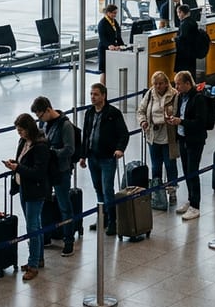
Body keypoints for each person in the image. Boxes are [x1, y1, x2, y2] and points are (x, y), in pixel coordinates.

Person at [3, 115, 50, 280]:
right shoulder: (23, 142)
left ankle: (33, 264)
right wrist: (15, 164)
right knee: (35, 224)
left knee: (32, 228)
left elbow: (38, 172)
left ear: (29, 128)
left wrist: (18, 168)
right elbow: (22, 162)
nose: (19, 133)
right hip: (24, 188)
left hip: (35, 191)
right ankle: (38, 258)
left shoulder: (41, 146)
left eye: (21, 130)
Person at [31, 96, 76, 257]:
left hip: (61, 171)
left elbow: (70, 150)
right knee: (45, 204)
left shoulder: (65, 125)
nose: (39, 119)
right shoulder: (43, 124)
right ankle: (47, 236)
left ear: (49, 110)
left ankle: (69, 239)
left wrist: (51, 153)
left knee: (64, 205)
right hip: (47, 171)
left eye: (40, 115)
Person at [80, 83, 128, 235]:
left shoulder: (113, 113)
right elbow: (86, 135)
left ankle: (113, 220)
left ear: (103, 96)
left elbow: (123, 133)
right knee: (98, 188)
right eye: (91, 94)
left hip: (107, 158)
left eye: (95, 94)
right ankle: (103, 217)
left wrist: (120, 149)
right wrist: (83, 155)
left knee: (107, 189)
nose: (92, 97)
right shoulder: (89, 113)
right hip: (93, 156)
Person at [168, 71, 209, 221]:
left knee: (193, 170)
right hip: (183, 138)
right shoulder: (180, 97)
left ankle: (196, 205)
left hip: (195, 140)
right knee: (186, 170)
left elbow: (200, 122)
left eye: (178, 84)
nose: (176, 86)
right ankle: (191, 199)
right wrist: (174, 120)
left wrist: (182, 122)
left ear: (187, 83)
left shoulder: (198, 99)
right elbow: (180, 114)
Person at [136, 71, 179, 206]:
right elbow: (141, 110)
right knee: (155, 166)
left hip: (169, 136)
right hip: (153, 136)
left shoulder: (174, 95)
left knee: (170, 164)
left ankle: (172, 191)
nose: (158, 86)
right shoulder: (150, 94)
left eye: (160, 83)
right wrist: (143, 121)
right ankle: (157, 193)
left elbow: (178, 111)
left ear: (166, 83)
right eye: (155, 84)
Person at [96, 3, 124, 86]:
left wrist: (122, 45)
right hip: (104, 49)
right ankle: (103, 88)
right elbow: (102, 38)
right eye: (113, 13)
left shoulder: (114, 22)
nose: (115, 15)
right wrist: (109, 45)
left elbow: (118, 35)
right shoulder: (102, 23)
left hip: (113, 49)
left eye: (116, 13)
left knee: (111, 69)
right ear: (108, 13)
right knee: (104, 71)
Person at [173, 4, 201, 75]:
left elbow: (183, 38)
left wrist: (175, 39)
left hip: (184, 55)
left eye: (178, 12)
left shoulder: (184, 24)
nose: (178, 15)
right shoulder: (193, 22)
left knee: (183, 74)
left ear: (181, 12)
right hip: (192, 53)